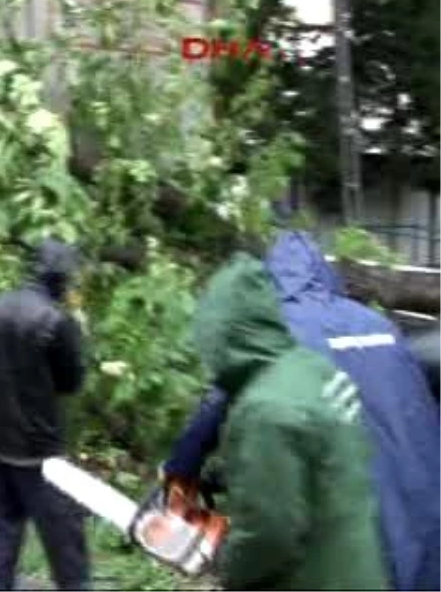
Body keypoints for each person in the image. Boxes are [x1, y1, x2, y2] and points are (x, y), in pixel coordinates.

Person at [163, 231, 441, 589]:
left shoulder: (274, 334)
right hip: (419, 486)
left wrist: (179, 472)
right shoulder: (379, 324)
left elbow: (215, 409)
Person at [190, 252, 387, 589]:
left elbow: (271, 534)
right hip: (358, 567)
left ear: (223, 332)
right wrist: (232, 472)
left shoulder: (265, 408)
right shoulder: (314, 369)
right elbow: (323, 458)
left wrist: (227, 568)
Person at [0, 238, 90, 590]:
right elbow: (71, 382)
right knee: (65, 545)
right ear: (61, 279)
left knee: (1, 535)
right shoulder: (58, 322)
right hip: (40, 451)